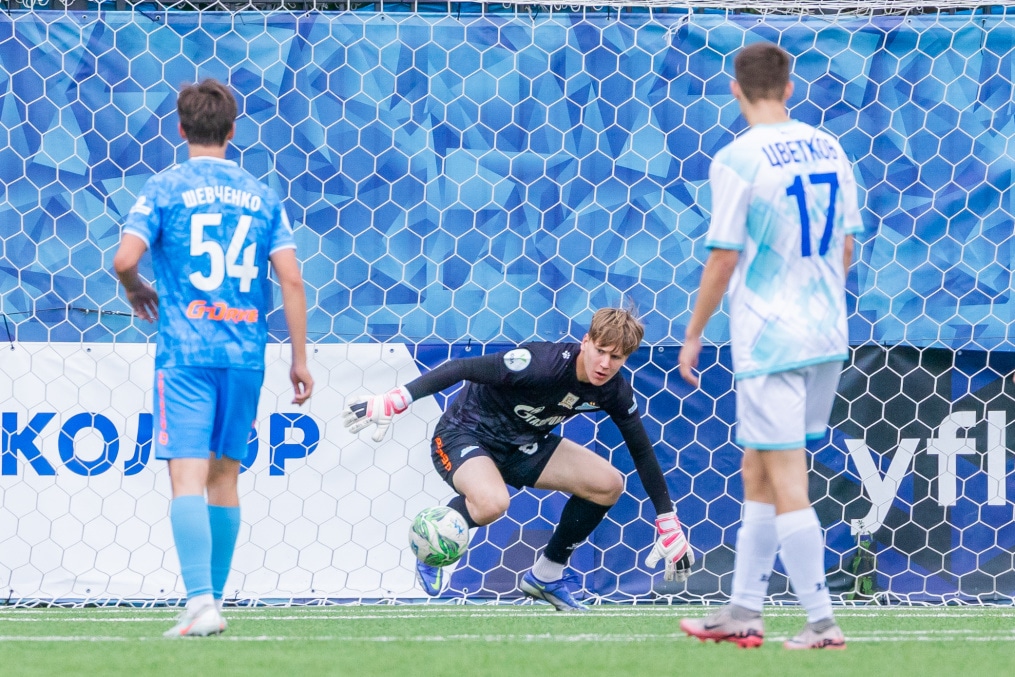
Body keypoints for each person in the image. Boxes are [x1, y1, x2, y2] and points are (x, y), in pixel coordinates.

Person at [113, 78, 314, 638]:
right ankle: (213, 602)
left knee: (187, 478)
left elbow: (124, 259)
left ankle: (201, 602)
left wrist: (135, 287)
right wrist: (299, 359)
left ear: (180, 128)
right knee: (225, 478)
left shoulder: (164, 187)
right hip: (244, 353)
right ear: (232, 130)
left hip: (186, 352)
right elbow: (291, 279)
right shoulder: (262, 195)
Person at [676, 42, 861, 650]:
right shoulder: (829, 147)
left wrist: (695, 332)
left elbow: (723, 256)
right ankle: (743, 611)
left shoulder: (738, 158)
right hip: (827, 332)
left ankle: (821, 621)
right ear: (790, 88)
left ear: (735, 89)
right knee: (758, 468)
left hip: (771, 338)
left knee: (785, 477)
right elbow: (847, 245)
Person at [342, 307, 694, 611]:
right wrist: (397, 398)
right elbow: (460, 367)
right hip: (465, 434)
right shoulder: (540, 363)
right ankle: (430, 546)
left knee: (608, 484)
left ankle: (547, 576)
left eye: (616, 358)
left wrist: (666, 518)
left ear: (626, 358)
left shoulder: (614, 390)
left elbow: (641, 450)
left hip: (524, 445)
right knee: (493, 503)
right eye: (600, 351)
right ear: (585, 341)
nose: (605, 364)